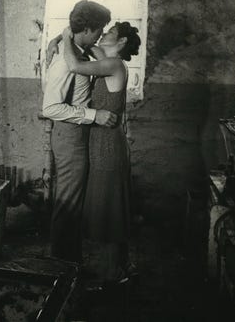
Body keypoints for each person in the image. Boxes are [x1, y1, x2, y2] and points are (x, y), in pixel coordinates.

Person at [59, 22, 141, 284]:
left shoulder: (115, 65)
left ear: (121, 43)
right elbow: (90, 45)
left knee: (109, 208)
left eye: (110, 34)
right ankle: (121, 267)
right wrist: (56, 42)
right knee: (111, 206)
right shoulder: (108, 59)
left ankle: (112, 274)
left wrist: (63, 36)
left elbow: (74, 65)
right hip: (103, 141)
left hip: (108, 145)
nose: (103, 35)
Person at [40, 0, 116, 263]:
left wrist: (63, 35)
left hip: (75, 134)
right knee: (69, 204)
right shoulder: (65, 60)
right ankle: (62, 267)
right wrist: (95, 115)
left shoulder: (76, 51)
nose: (100, 36)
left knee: (72, 201)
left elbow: (85, 41)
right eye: (99, 30)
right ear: (88, 29)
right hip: (70, 134)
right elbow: (50, 107)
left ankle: (69, 263)